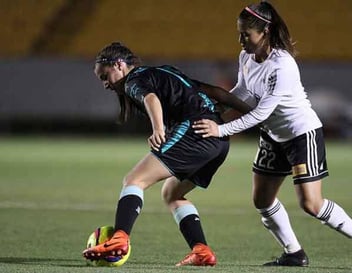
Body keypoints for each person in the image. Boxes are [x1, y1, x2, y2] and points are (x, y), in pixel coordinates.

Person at [193, 1, 352, 270]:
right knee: (262, 200)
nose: (241, 39)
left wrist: (219, 129)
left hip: (300, 134)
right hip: (273, 135)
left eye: (246, 34)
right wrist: (218, 108)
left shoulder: (282, 65)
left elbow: (259, 114)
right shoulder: (246, 57)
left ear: (265, 31)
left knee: (311, 204)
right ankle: (294, 252)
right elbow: (243, 92)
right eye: (239, 33)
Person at [82, 42, 251, 266]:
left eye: (105, 76)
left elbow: (150, 99)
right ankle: (201, 250)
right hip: (219, 140)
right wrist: (255, 115)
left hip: (195, 132)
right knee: (172, 194)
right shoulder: (164, 71)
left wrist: (158, 129)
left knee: (134, 180)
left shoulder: (133, 80)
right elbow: (216, 93)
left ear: (119, 65)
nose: (105, 84)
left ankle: (119, 239)